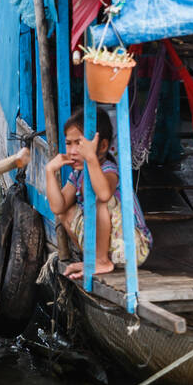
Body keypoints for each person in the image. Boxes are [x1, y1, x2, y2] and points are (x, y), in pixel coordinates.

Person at [45, 110, 152, 279]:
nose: (72, 151)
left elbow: (103, 194)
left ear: (102, 146)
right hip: (111, 247)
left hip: (133, 246)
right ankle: (93, 259)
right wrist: (49, 171)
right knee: (66, 212)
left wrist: (90, 159)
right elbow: (58, 206)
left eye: (79, 144)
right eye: (69, 143)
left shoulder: (109, 169)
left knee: (101, 198)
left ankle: (101, 260)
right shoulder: (78, 173)